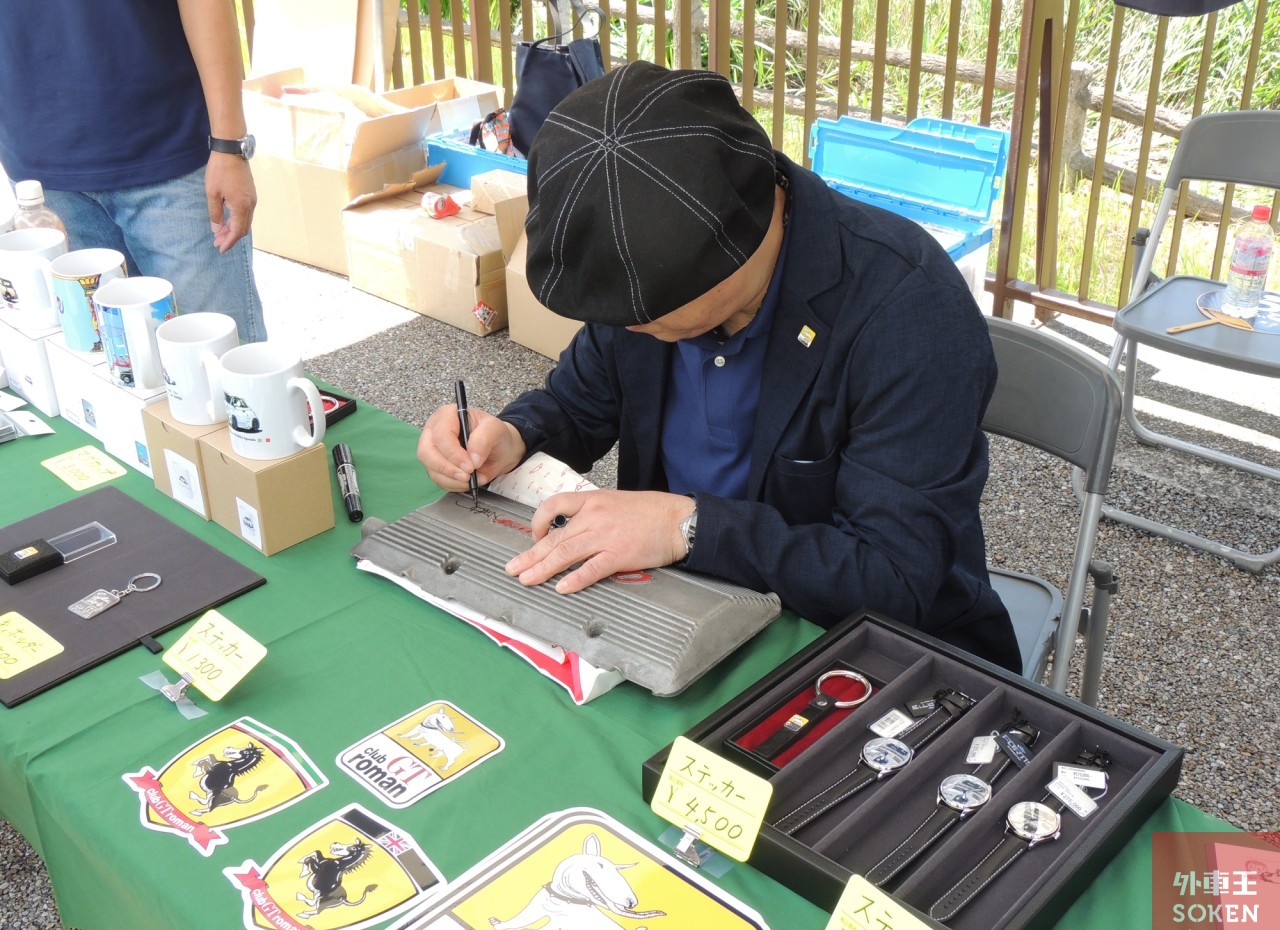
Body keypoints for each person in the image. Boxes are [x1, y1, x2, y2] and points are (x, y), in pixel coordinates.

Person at [418, 61, 1020, 671]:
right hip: (677, 606)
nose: (625, 327)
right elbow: (580, 400)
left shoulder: (909, 312)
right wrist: (514, 434)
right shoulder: (650, 270)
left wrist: (689, 528)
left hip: (858, 647)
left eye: (641, 316)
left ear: (729, 247)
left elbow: (893, 576)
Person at [0, 0, 266, 343]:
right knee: (101, 365)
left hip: (169, 151)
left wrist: (229, 145)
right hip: (42, 181)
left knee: (216, 361)